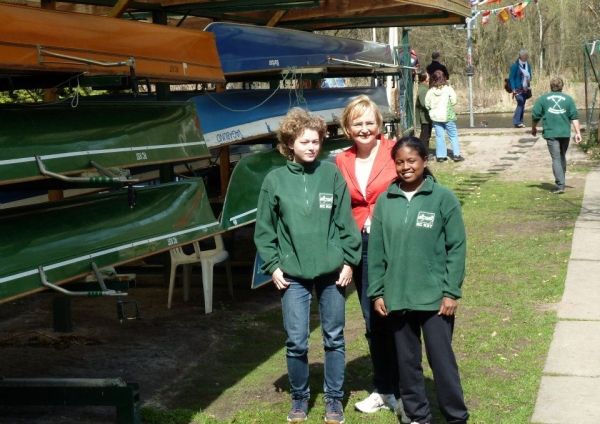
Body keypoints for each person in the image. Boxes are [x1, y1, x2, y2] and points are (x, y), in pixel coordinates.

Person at [254, 108, 361, 424]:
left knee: (334, 338)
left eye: (316, 141)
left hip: (331, 272)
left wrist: (349, 261)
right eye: (304, 142)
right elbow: (264, 229)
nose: (312, 147)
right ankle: (299, 399)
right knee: (296, 340)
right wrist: (273, 265)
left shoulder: (330, 176)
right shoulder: (274, 181)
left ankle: (333, 400)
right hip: (292, 276)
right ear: (290, 143)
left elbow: (345, 222)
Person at [367, 136, 469, 424]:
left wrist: (450, 292)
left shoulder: (443, 197)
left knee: (442, 362)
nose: (405, 166)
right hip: (397, 296)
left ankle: (456, 416)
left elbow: (456, 247)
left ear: (425, 161)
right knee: (407, 363)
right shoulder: (386, 201)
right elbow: (376, 251)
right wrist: (377, 293)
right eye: (399, 162)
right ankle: (417, 416)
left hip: (436, 299)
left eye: (412, 160)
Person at [335, 95, 407, 419]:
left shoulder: (396, 151)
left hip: (394, 242)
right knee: (371, 317)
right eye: (357, 123)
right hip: (361, 248)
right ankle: (384, 388)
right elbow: (341, 205)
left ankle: (408, 389)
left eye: (369, 122)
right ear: (348, 127)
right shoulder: (341, 160)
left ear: (379, 124)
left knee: (400, 315)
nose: (364, 128)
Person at [531, 76, 582, 194]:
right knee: (561, 155)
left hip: (551, 132)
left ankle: (560, 185)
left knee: (556, 157)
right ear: (562, 86)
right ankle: (561, 181)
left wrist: (533, 128)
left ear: (550, 86)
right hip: (564, 133)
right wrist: (578, 133)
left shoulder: (543, 99)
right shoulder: (568, 99)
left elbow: (535, 115)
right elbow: (574, 117)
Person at [425, 70, 464, 162]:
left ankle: (440, 156)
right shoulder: (448, 89)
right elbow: (454, 100)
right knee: (453, 135)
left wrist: (433, 109)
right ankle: (456, 155)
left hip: (435, 116)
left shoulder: (430, 91)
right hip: (447, 116)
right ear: (444, 78)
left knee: (439, 136)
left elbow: (427, 104)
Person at [509, 49, 533, 128]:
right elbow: (511, 77)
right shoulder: (515, 66)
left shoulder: (527, 65)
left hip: (525, 89)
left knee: (523, 104)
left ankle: (520, 122)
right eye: (525, 55)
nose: (527, 57)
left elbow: (530, 75)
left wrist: (530, 79)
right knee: (520, 103)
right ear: (521, 56)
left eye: (527, 55)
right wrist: (513, 88)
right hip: (517, 88)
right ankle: (516, 121)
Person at [415, 71, 433, 156]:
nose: (429, 77)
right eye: (428, 76)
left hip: (426, 116)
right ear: (425, 79)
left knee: (426, 135)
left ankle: (423, 151)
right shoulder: (424, 90)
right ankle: (423, 152)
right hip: (425, 117)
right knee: (425, 136)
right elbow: (424, 104)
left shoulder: (424, 88)